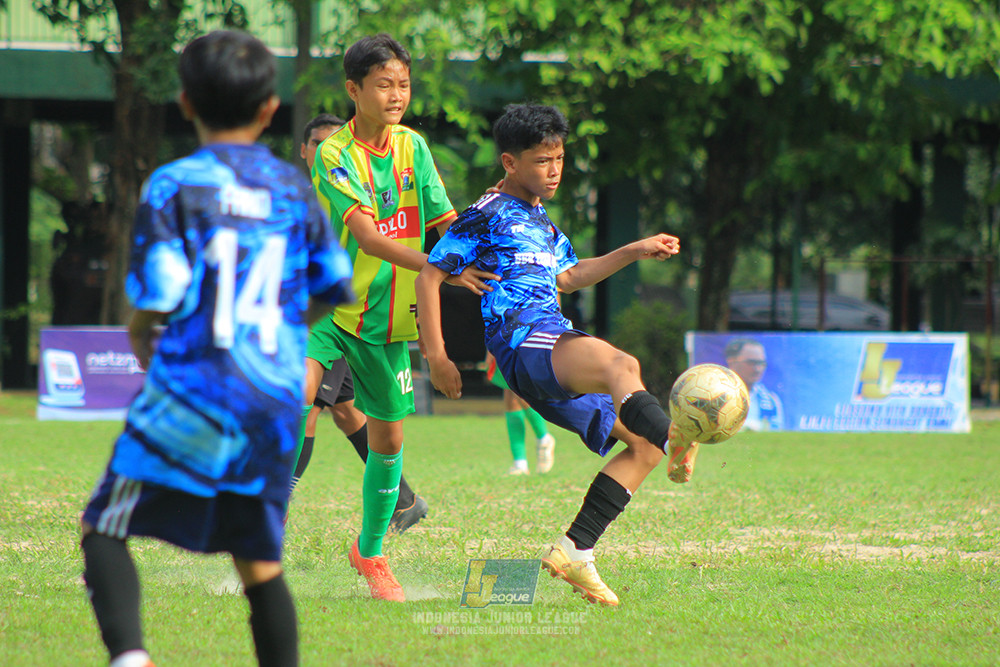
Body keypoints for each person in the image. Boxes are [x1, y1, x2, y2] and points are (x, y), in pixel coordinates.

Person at [79, 30, 353, 667]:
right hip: (273, 397)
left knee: (104, 527)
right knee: (260, 564)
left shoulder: (173, 184)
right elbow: (335, 283)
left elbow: (163, 288)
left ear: (184, 103)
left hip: (194, 385)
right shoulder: (293, 188)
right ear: (267, 109)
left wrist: (139, 331)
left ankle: (131, 658)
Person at [415, 103, 695, 607]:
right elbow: (430, 273)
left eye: (560, 158)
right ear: (509, 162)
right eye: (543, 160)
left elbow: (568, 276)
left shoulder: (540, 220)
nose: (554, 170)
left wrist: (633, 249)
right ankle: (676, 436)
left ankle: (576, 550)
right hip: (525, 341)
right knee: (622, 366)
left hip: (546, 347)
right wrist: (437, 355)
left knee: (642, 448)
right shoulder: (485, 215)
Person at [306, 34, 495, 602]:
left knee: (387, 442)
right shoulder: (333, 154)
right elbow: (367, 237)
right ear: (353, 90)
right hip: (325, 308)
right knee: (296, 402)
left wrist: (490, 246)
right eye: (384, 83)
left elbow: (446, 220)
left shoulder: (414, 147)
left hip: (389, 322)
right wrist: (444, 268)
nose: (396, 94)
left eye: (403, 84)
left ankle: (369, 551)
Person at [292, 113, 428, 534]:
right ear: (305, 150)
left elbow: (373, 240)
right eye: (317, 144)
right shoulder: (302, 196)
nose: (326, 153)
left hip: (360, 313)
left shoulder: (363, 186)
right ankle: (404, 501)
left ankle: (398, 505)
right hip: (316, 313)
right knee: (334, 408)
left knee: (329, 408)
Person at [485, 350, 556, 475]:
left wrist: (491, 349)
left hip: (515, 338)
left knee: (517, 389)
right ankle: (520, 462)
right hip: (505, 337)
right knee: (511, 397)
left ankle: (543, 437)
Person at [725, 337, 784, 431]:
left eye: (761, 363)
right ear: (732, 362)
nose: (757, 369)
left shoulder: (770, 401)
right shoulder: (716, 395)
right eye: (751, 362)